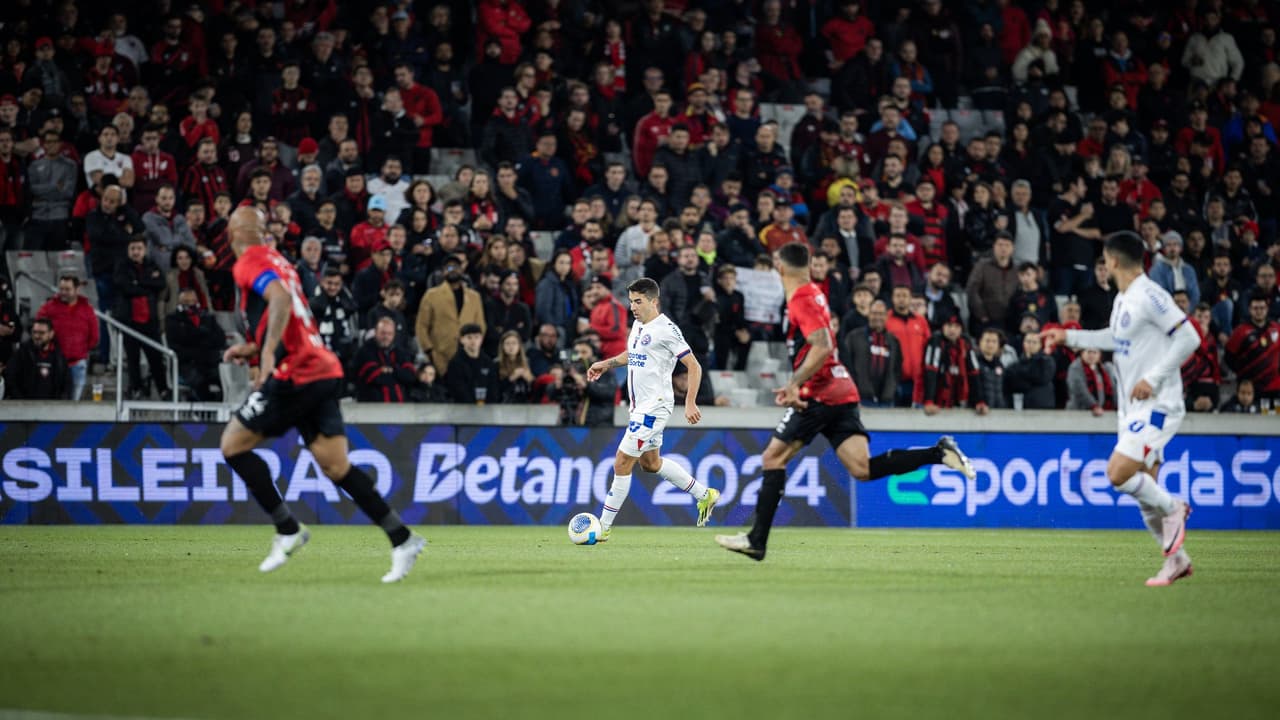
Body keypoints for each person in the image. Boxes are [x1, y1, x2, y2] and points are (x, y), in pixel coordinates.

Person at [715, 243, 975, 561]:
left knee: (772, 458)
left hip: (819, 392)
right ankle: (939, 452)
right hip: (842, 390)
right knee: (862, 468)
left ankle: (757, 540)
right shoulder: (814, 293)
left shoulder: (801, 298)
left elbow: (822, 345)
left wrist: (795, 383)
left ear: (780, 268)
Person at [219, 207, 425, 582]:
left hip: (296, 375)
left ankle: (287, 529)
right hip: (323, 369)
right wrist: (254, 348)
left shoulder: (248, 262)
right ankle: (403, 537)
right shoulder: (281, 260)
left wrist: (264, 356)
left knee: (233, 446)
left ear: (232, 235)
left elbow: (280, 302)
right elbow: (290, 315)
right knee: (336, 466)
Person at [1041, 231, 1202, 587]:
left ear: (1113, 260)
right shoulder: (1123, 299)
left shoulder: (1151, 295)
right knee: (1146, 495)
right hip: (1131, 409)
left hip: (1157, 405)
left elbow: (1190, 336)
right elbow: (1115, 340)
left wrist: (1155, 377)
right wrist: (1069, 337)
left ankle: (1176, 507)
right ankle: (1175, 561)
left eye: (1104, 258)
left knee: (1117, 473)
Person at [584, 278, 720, 541]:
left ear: (653, 301)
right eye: (631, 301)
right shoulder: (637, 325)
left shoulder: (667, 329)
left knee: (622, 462)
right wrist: (605, 363)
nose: (633, 306)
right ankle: (705, 495)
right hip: (640, 408)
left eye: (638, 301)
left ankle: (602, 527)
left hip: (654, 407)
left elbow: (694, 366)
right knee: (650, 463)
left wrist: (690, 402)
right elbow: (632, 354)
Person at [114, 237, 171, 400]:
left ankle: (163, 389)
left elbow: (160, 283)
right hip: (129, 321)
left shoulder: (152, 264)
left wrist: (138, 282)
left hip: (150, 321)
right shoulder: (121, 265)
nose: (136, 252)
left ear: (145, 250)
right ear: (128, 250)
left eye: (139, 248)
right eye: (133, 248)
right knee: (133, 359)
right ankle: (136, 389)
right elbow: (124, 287)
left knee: (156, 358)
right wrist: (147, 286)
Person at [36, 274, 98, 401]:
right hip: (54, 361)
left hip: (78, 363)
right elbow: (38, 325)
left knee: (74, 402)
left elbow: (94, 336)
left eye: (67, 289)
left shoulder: (86, 308)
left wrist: (81, 350)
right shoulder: (50, 306)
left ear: (76, 289)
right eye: (61, 289)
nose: (63, 293)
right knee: (54, 400)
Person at [164, 286, 225, 401]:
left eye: (193, 301)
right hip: (187, 364)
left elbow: (220, 339)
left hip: (209, 362)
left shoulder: (208, 317)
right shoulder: (172, 320)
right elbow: (176, 346)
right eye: (186, 302)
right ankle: (204, 410)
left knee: (225, 377)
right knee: (199, 381)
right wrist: (201, 338)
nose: (191, 305)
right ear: (179, 303)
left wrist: (197, 337)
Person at [844, 299, 901, 407]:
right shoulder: (854, 337)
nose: (877, 317)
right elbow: (846, 365)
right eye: (874, 313)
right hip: (861, 398)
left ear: (886, 316)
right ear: (868, 314)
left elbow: (897, 369)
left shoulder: (893, 341)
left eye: (881, 314)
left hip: (886, 400)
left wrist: (891, 389)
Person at [1224, 293, 1280, 400]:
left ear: (1267, 309)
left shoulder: (1276, 328)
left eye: (1262, 308)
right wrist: (1243, 372)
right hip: (1250, 389)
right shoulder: (1240, 331)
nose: (1259, 311)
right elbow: (1228, 357)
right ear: (1249, 309)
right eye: (1255, 308)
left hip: (1275, 385)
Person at [353, 316, 417, 403]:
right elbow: (374, 378)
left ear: (394, 334)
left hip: (400, 408)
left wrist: (391, 370)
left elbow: (410, 376)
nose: (386, 336)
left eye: (389, 333)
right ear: (376, 332)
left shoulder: (400, 352)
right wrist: (399, 374)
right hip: (371, 407)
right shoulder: (365, 351)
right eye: (383, 333)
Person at [3, 318, 69, 399]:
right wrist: (20, 400)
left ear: (51, 334)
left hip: (50, 407)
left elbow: (66, 384)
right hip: (25, 406)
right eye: (34, 332)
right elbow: (10, 378)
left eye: (41, 333)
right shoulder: (21, 353)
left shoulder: (59, 357)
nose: (37, 336)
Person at [445, 323, 500, 404]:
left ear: (481, 339)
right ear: (462, 339)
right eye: (469, 337)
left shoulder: (488, 362)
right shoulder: (455, 363)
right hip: (463, 409)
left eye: (476, 337)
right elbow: (457, 390)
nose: (473, 341)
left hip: (486, 409)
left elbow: (493, 387)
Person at [1065, 348, 1116, 415]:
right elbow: (1079, 390)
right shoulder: (1075, 368)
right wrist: (1094, 406)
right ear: (1082, 353)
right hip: (1079, 411)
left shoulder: (1104, 369)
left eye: (1095, 352)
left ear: (1099, 355)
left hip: (1101, 412)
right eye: (1089, 352)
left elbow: (1114, 389)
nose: (1091, 355)